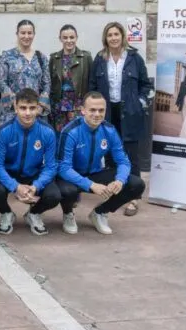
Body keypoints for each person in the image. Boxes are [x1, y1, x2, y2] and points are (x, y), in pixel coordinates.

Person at [57, 92, 146, 235]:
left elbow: (123, 161)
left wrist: (119, 180)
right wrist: (91, 185)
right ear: (83, 110)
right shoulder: (70, 131)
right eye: (92, 110)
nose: (97, 114)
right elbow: (63, 168)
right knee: (68, 191)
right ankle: (68, 214)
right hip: (71, 177)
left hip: (95, 173)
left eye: (101, 110)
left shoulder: (109, 130)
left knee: (137, 184)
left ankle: (99, 213)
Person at [89, 21, 152, 217]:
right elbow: (92, 86)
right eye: (110, 35)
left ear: (122, 36)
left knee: (131, 155)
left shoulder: (134, 58)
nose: (114, 38)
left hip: (130, 112)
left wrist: (139, 103)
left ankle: (133, 197)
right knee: (108, 154)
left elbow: (146, 86)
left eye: (116, 34)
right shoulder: (100, 59)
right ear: (105, 38)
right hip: (106, 113)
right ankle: (113, 192)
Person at [0, 88, 61, 236]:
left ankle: (33, 214)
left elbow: (51, 166)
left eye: (32, 108)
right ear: (15, 107)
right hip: (10, 174)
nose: (27, 113)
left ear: (38, 108)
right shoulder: (4, 131)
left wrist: (36, 186)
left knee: (54, 196)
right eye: (23, 108)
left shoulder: (47, 132)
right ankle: (7, 213)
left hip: (34, 174)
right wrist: (15, 187)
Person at [0, 20, 50, 126]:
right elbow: (1, 82)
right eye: (23, 33)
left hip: (35, 111)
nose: (26, 36)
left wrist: (40, 105)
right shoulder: (7, 56)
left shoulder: (41, 57)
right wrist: (17, 105)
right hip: (11, 111)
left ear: (34, 35)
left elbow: (47, 84)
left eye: (29, 33)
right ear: (17, 34)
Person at [49, 24, 92, 134]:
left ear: (76, 37)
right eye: (65, 38)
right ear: (60, 39)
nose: (69, 41)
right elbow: (50, 82)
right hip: (59, 106)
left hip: (78, 105)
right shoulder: (54, 58)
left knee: (78, 136)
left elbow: (91, 82)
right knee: (60, 136)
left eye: (72, 37)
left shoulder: (85, 57)